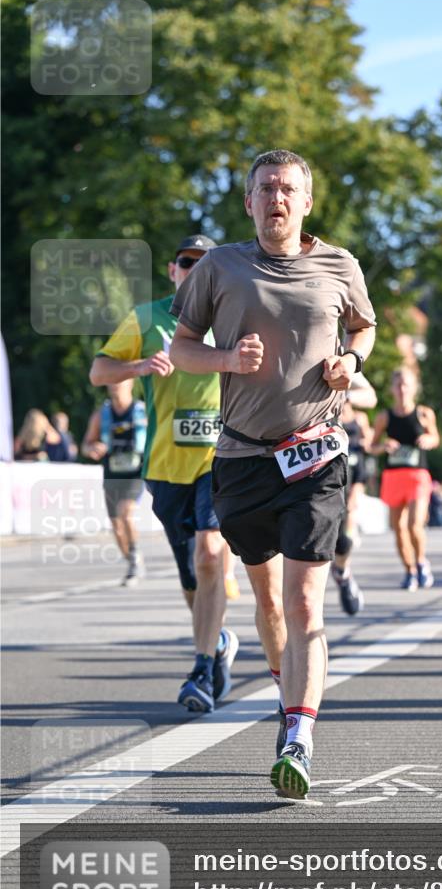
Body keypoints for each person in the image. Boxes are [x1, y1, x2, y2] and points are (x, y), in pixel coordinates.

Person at [168, 149, 376, 799]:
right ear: (249, 202)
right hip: (240, 458)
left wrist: (351, 362)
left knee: (304, 600)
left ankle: (298, 734)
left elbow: (364, 327)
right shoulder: (221, 266)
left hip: (315, 455)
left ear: (306, 202)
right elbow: (179, 348)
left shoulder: (339, 265)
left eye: (288, 189)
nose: (277, 199)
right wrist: (226, 356)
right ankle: (289, 703)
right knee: (264, 601)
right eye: (266, 189)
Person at [89, 235, 239, 711]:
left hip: (220, 460)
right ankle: (215, 645)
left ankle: (199, 668)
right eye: (185, 262)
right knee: (191, 575)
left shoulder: (232, 315)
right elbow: (98, 372)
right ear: (173, 271)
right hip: (164, 463)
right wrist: (138, 366)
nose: (193, 269)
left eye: (203, 263)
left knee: (211, 553)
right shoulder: (148, 317)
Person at [370, 367, 440, 591]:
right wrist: (384, 446)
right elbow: (371, 446)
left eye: (406, 385)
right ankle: (409, 570)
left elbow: (436, 437)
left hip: (418, 475)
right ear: (392, 388)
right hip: (393, 476)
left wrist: (428, 439)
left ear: (414, 388)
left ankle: (421, 562)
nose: (402, 389)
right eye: (398, 385)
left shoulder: (424, 414)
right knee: (398, 528)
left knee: (414, 524)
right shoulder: (384, 416)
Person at [81, 379, 147, 586]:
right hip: (112, 471)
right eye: (112, 382)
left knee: (125, 512)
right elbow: (85, 444)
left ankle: (135, 560)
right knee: (116, 525)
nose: (115, 385)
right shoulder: (101, 414)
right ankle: (132, 561)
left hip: (136, 471)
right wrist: (92, 449)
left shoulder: (142, 411)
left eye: (120, 381)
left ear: (131, 384)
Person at [330, 373, 377, 615]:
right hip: (302, 459)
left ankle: (342, 571)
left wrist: (341, 390)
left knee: (343, 538)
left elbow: (371, 396)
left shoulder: (340, 361)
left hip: (347, 466)